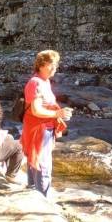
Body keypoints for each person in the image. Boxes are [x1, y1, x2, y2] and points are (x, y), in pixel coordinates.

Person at [20, 50, 73, 197]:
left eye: (55, 65)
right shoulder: (35, 83)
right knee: (43, 164)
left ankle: (33, 191)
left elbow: (45, 105)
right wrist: (57, 114)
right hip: (39, 129)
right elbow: (36, 110)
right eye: (52, 65)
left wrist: (59, 113)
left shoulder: (45, 81)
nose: (55, 68)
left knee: (35, 159)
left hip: (43, 128)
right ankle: (43, 198)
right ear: (42, 65)